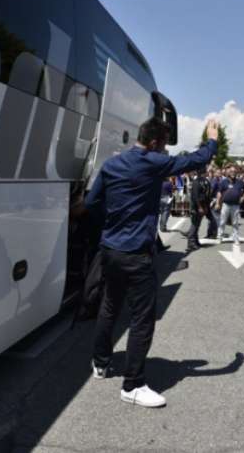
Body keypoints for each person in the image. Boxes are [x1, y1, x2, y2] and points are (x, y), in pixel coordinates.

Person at [85, 117, 219, 408]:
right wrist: (212, 138)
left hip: (109, 249)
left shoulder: (110, 164)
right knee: (142, 318)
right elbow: (198, 159)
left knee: (109, 307)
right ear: (156, 142)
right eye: (164, 145)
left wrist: (112, 224)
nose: (165, 151)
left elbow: (93, 204)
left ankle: (101, 363)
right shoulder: (153, 163)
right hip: (135, 253)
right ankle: (132, 384)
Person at [216, 166, 244, 244]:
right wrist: (217, 203)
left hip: (235, 205)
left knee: (235, 222)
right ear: (228, 172)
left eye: (234, 171)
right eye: (231, 171)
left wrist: (243, 197)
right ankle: (220, 236)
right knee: (222, 221)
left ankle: (236, 237)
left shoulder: (239, 182)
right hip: (225, 205)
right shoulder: (224, 182)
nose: (233, 173)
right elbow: (219, 193)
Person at [186, 166, 212, 253]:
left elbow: (207, 195)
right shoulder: (196, 182)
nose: (207, 172)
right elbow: (196, 197)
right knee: (194, 225)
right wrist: (200, 207)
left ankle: (196, 241)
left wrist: (206, 207)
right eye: (206, 171)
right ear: (202, 172)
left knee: (197, 225)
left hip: (203, 206)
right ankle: (190, 243)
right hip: (196, 207)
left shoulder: (205, 181)